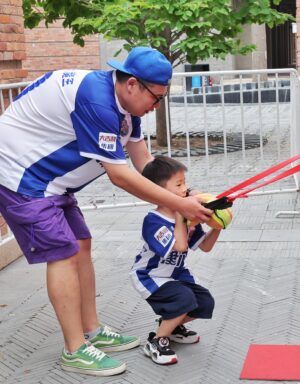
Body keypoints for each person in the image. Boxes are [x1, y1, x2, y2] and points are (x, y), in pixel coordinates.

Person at [0, 47, 213, 376]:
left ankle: (92, 329)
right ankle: (75, 349)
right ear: (132, 84)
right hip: (22, 177)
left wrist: (183, 195)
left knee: (81, 243)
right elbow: (120, 175)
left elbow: (145, 165)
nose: (156, 106)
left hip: (52, 181)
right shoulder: (98, 102)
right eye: (155, 98)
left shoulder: (129, 106)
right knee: (64, 253)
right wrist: (179, 204)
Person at [130, 156, 219, 365]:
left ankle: (172, 325)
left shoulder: (186, 216)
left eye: (185, 183)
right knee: (183, 299)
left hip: (175, 274)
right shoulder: (153, 221)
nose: (185, 189)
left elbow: (205, 246)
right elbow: (179, 246)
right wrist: (182, 216)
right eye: (179, 184)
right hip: (151, 276)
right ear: (158, 191)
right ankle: (156, 340)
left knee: (205, 302)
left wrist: (217, 224)